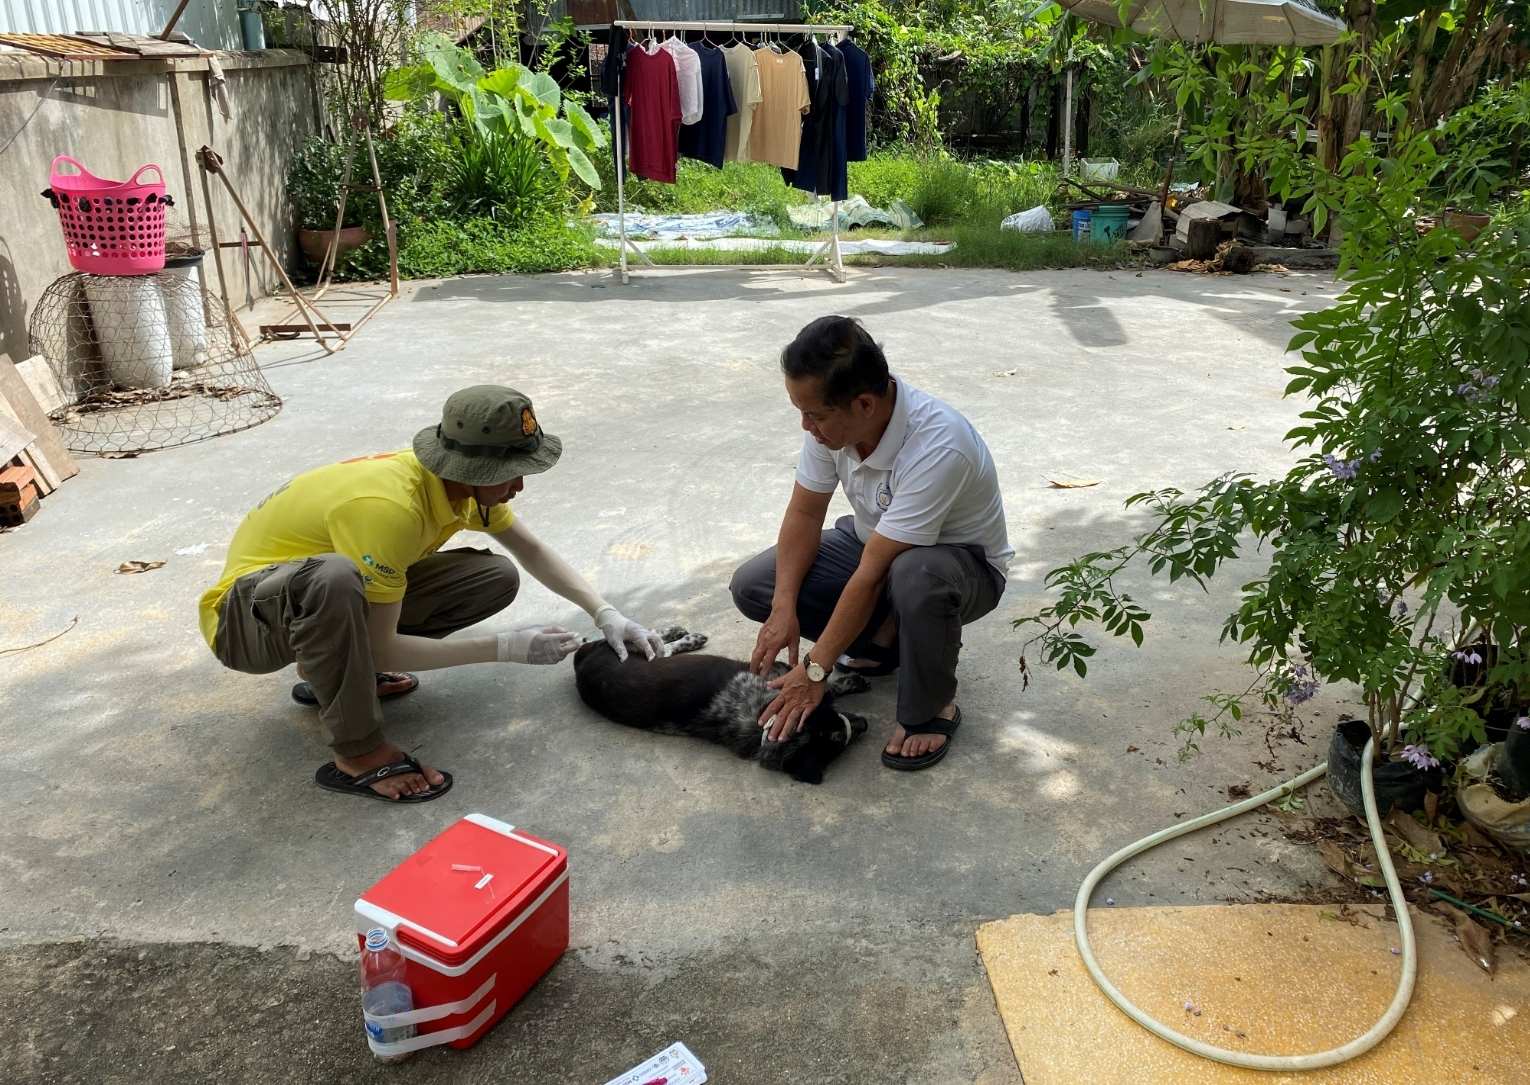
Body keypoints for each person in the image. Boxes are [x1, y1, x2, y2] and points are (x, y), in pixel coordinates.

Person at [198, 385, 665, 803]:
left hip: (301, 606)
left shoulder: (460, 489)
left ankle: (341, 674)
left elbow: (533, 550)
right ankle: (359, 753)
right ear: (470, 467)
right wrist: (505, 647)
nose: (520, 485)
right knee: (335, 578)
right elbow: (382, 643)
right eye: (509, 473)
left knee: (493, 575)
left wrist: (605, 613)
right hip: (244, 624)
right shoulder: (390, 508)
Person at [730, 317, 1012, 771]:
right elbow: (805, 513)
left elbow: (876, 569)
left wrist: (817, 669)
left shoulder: (939, 443)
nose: (806, 426)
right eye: (800, 412)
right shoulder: (831, 426)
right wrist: (783, 606)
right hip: (871, 546)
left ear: (863, 403)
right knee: (756, 585)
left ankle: (932, 707)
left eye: (815, 415)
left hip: (959, 569)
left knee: (916, 576)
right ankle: (886, 642)